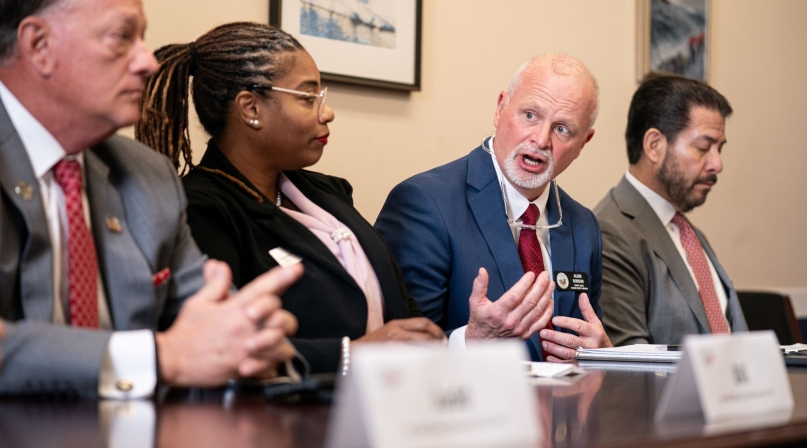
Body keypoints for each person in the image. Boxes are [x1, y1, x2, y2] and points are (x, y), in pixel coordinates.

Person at [0, 0, 300, 399]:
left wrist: (252, 342)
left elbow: (214, 329)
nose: (148, 62)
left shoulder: (148, 175)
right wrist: (162, 356)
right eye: (121, 37)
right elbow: (175, 355)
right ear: (39, 45)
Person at [136, 22, 444, 374]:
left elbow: (400, 305)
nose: (326, 112)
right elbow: (223, 345)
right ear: (251, 108)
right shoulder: (201, 210)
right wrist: (351, 354)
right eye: (308, 97)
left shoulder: (330, 192)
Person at [375, 54, 611, 361]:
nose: (540, 139)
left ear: (584, 142)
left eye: (562, 129)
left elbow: (589, 338)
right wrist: (470, 341)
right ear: (500, 108)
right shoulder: (425, 204)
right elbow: (393, 353)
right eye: (530, 115)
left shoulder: (584, 226)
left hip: (561, 409)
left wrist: (603, 355)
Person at [593, 74, 748, 346]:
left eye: (720, 149)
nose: (717, 164)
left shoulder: (689, 233)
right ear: (654, 145)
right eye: (703, 147)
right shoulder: (609, 232)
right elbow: (628, 365)